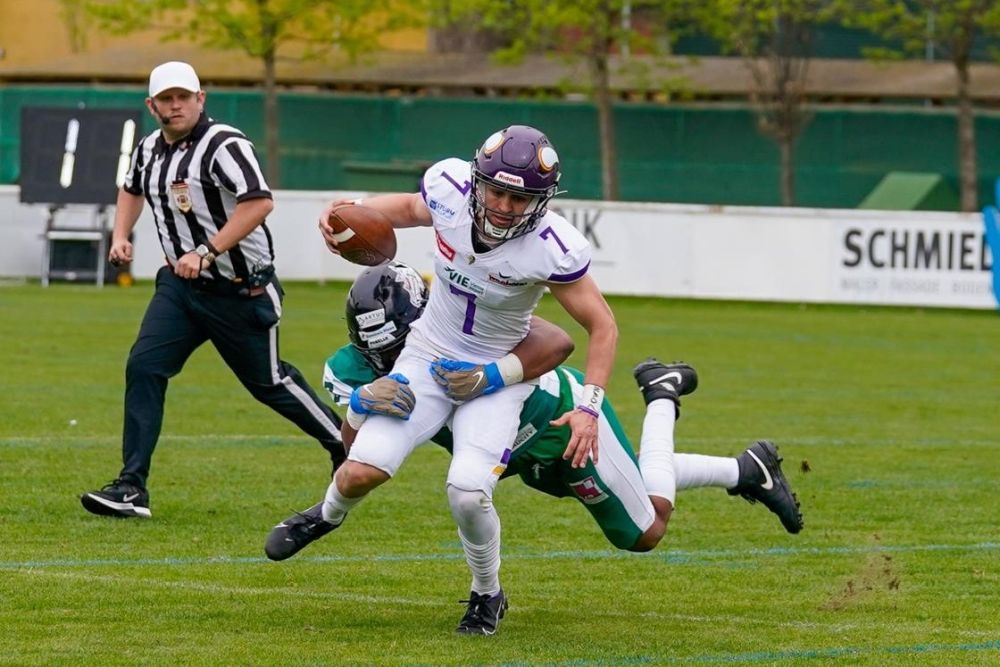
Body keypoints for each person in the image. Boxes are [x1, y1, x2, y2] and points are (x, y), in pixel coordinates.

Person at [266, 263, 804, 634]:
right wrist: (361, 402)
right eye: (379, 352)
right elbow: (354, 447)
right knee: (509, 487)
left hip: (557, 425)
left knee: (645, 532)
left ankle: (661, 395)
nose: (393, 361)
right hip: (516, 457)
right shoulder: (355, 365)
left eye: (401, 346)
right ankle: (745, 469)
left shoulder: (469, 326)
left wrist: (493, 378)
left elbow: (553, 340)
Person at [315, 125, 618, 635]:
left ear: (542, 201)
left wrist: (589, 407)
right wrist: (351, 208)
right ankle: (321, 515)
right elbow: (411, 209)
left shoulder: (550, 247)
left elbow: (601, 324)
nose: (503, 205)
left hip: (495, 371)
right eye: (496, 190)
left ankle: (486, 594)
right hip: (428, 350)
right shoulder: (450, 190)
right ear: (477, 182)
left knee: (468, 489)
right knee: (364, 464)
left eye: (520, 198)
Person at [80, 61, 344, 519]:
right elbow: (130, 188)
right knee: (144, 367)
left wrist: (206, 249)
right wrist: (121, 234)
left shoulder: (225, 144)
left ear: (201, 99)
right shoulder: (147, 149)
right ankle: (131, 486)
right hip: (180, 290)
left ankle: (346, 447)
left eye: (184, 96)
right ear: (152, 105)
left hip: (241, 291)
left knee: (271, 383)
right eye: (166, 98)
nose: (175, 105)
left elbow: (259, 202)